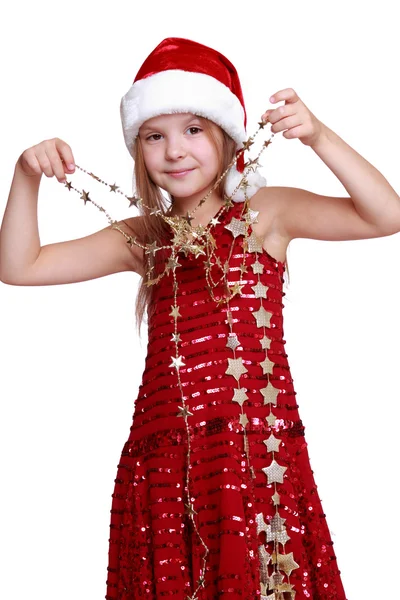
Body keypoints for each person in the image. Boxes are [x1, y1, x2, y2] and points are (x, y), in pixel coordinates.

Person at [1, 36, 399, 600]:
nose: (174, 151)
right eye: (154, 136)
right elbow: (20, 267)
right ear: (138, 150)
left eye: (193, 130)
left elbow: (386, 216)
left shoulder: (266, 216)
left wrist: (318, 136)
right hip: (164, 465)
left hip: (254, 460)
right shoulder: (144, 241)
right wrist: (25, 175)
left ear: (226, 136)